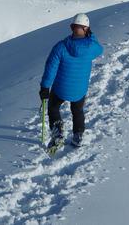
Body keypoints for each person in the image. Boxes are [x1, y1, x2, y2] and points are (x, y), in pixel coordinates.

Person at [40, 13, 104, 148]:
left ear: (72, 27)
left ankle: (57, 133)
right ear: (86, 29)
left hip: (60, 89)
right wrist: (90, 35)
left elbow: (50, 69)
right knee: (77, 110)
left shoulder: (61, 47)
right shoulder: (91, 48)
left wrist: (45, 88)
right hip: (80, 90)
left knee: (53, 106)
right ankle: (78, 135)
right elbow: (100, 49)